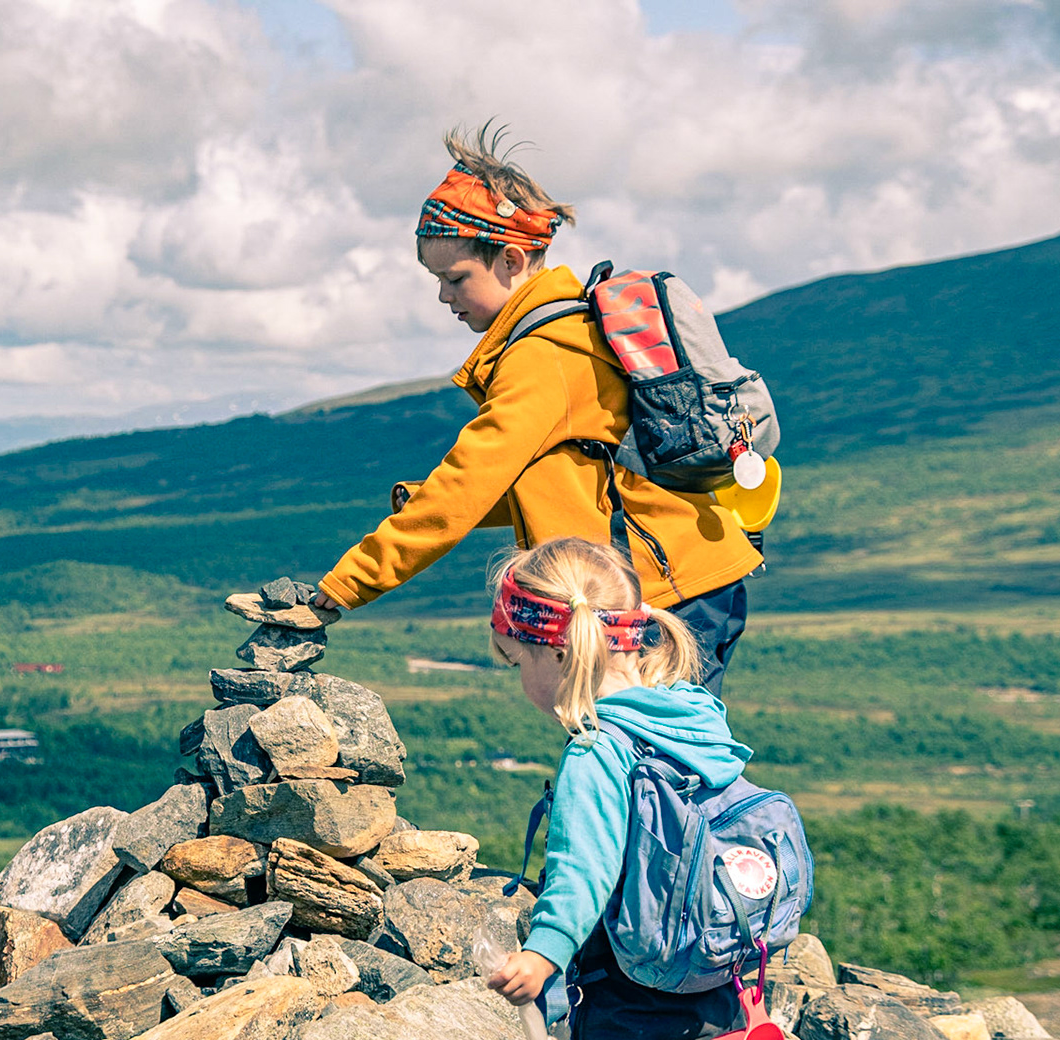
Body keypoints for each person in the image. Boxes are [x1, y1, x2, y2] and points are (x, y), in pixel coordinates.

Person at [312, 127, 763, 691]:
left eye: (455, 278)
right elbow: (577, 473)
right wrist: (419, 501)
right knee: (653, 756)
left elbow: (467, 480)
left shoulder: (543, 355)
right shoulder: (563, 335)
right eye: (437, 280)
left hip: (659, 595)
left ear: (511, 257)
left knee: (650, 761)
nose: (443, 295)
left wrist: (345, 586)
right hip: (682, 580)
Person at [480, 535, 807, 1040]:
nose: (520, 677)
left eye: (517, 660)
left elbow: (582, 873)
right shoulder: (692, 714)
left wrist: (542, 955)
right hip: (714, 990)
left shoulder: (600, 751)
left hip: (625, 1010)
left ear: (556, 654)